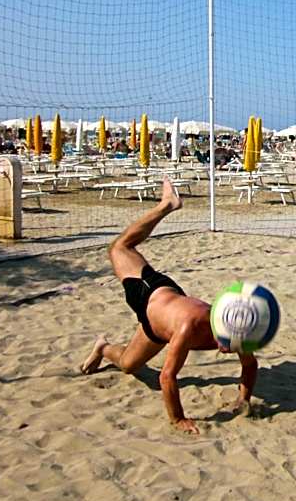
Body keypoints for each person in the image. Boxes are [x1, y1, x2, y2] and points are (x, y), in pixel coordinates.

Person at [80, 179, 258, 434]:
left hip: (161, 321)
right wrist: (178, 418)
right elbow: (166, 376)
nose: (226, 349)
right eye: (226, 342)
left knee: (129, 366)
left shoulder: (238, 328)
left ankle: (103, 347)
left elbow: (250, 365)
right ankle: (167, 205)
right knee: (119, 247)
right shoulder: (190, 327)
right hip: (148, 292)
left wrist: (244, 399)